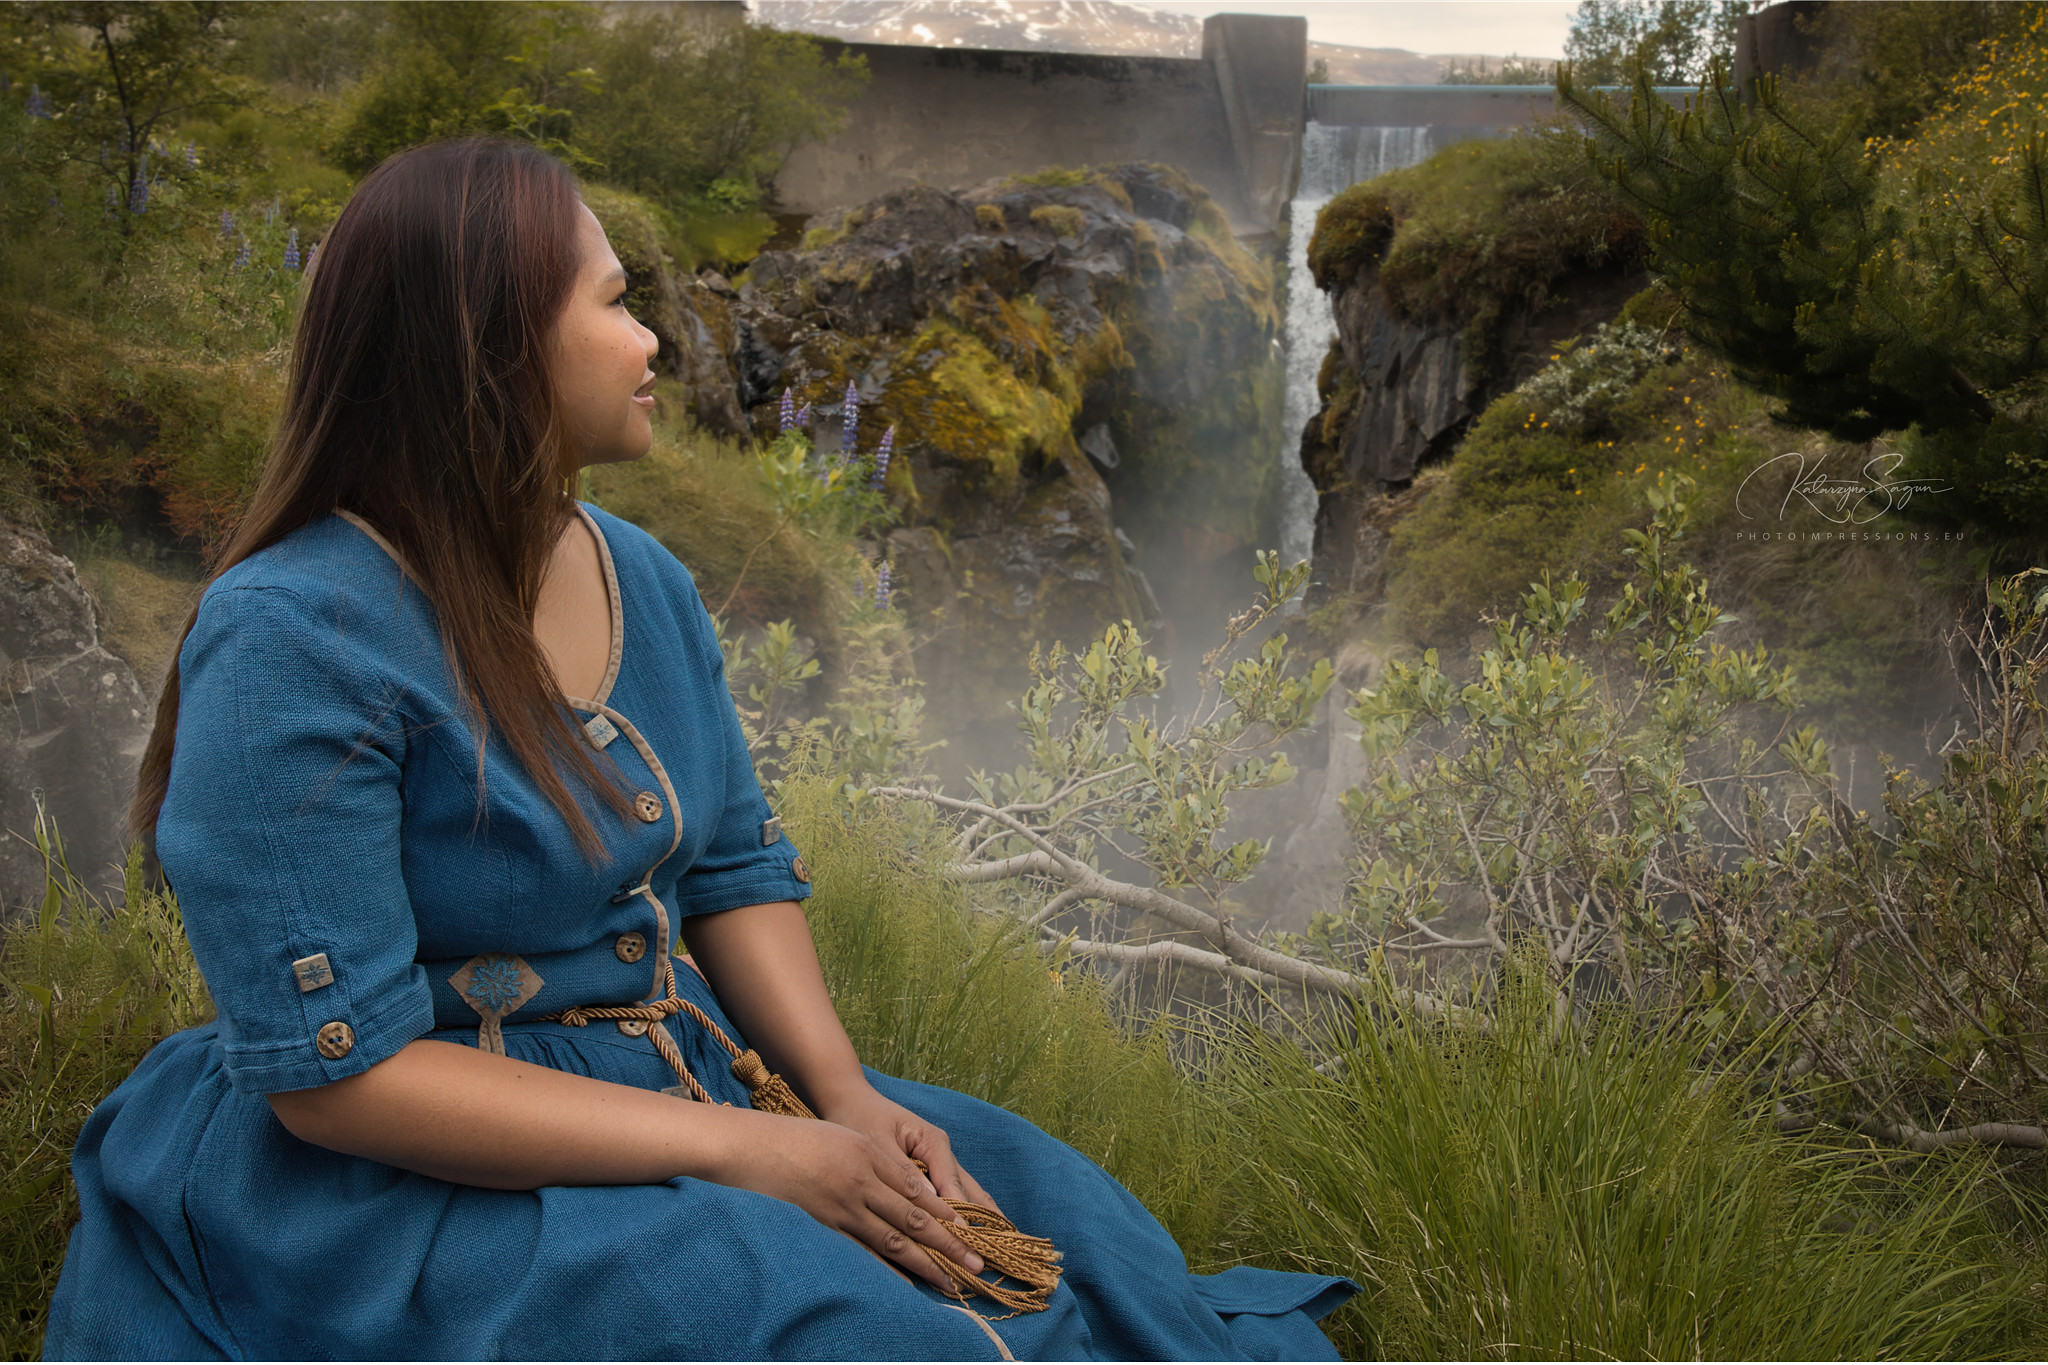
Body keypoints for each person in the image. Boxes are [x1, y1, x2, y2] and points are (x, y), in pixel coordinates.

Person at [42, 138, 1357, 1362]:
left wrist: (838, 1097)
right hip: (404, 1167)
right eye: (614, 303)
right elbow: (347, 1084)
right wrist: (750, 1155)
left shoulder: (647, 580)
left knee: (1076, 1230)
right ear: (490, 348)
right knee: (851, 1325)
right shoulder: (291, 637)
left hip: (675, 1065)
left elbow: (732, 866)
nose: (653, 338)